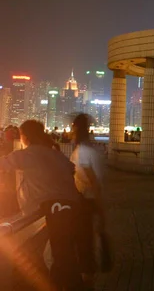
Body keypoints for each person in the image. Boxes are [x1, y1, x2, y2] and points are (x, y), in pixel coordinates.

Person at [0, 120, 84, 290]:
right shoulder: (56, 154)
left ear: (25, 136)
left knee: (44, 258)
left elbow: (3, 164)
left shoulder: (26, 154)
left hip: (47, 214)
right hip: (73, 210)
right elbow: (71, 169)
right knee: (61, 257)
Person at [71, 113, 108, 286]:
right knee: (86, 242)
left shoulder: (82, 152)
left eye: (72, 127)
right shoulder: (93, 149)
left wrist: (100, 209)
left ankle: (86, 280)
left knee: (83, 242)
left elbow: (93, 182)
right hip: (89, 201)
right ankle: (87, 277)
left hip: (84, 201)